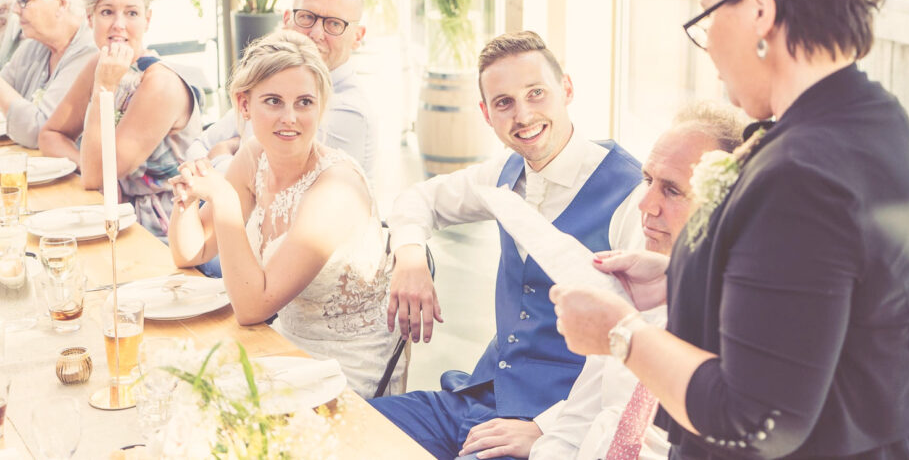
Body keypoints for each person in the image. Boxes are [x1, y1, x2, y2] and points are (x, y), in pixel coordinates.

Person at [551, 0, 909, 459]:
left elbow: (757, 420)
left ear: (759, 10)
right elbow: (820, 300)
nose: (707, 42)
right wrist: (682, 277)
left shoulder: (803, 176)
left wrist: (621, 334)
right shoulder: (873, 122)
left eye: (709, 14)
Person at [370, 31, 644, 460]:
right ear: (486, 113)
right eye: (504, 103)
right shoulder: (505, 172)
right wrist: (410, 257)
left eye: (536, 93)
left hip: (557, 424)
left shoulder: (633, 195)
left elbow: (639, 347)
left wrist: (546, 430)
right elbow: (418, 200)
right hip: (477, 399)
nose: (523, 115)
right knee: (337, 426)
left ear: (567, 89)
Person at [166, 30, 401, 398]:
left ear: (320, 106)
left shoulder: (336, 188)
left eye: (304, 102)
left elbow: (251, 308)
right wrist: (186, 195)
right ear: (244, 105)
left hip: (344, 367)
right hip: (280, 344)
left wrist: (224, 199)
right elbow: (190, 252)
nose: (290, 118)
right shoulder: (254, 156)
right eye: (273, 101)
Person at [530, 103, 744, 460]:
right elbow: (578, 418)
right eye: (648, 181)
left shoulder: (738, 330)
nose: (645, 204)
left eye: (672, 191)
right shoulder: (633, 288)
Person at [38, 0, 202, 237]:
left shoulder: (160, 83)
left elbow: (96, 177)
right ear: (90, 18)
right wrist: (86, 164)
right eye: (107, 12)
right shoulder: (98, 64)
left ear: (147, 20)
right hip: (107, 213)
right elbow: (50, 135)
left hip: (163, 230)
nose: (119, 24)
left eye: (132, 13)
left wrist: (104, 88)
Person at [186, 0, 376, 181]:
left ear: (358, 36)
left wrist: (220, 154)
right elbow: (198, 146)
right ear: (287, 20)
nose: (316, 33)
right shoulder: (273, 80)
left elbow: (270, 187)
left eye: (334, 24)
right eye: (307, 17)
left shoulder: (349, 111)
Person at [1, 0, 95, 147]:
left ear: (61, 2)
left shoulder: (90, 53)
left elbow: (40, 132)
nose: (16, 9)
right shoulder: (34, 45)